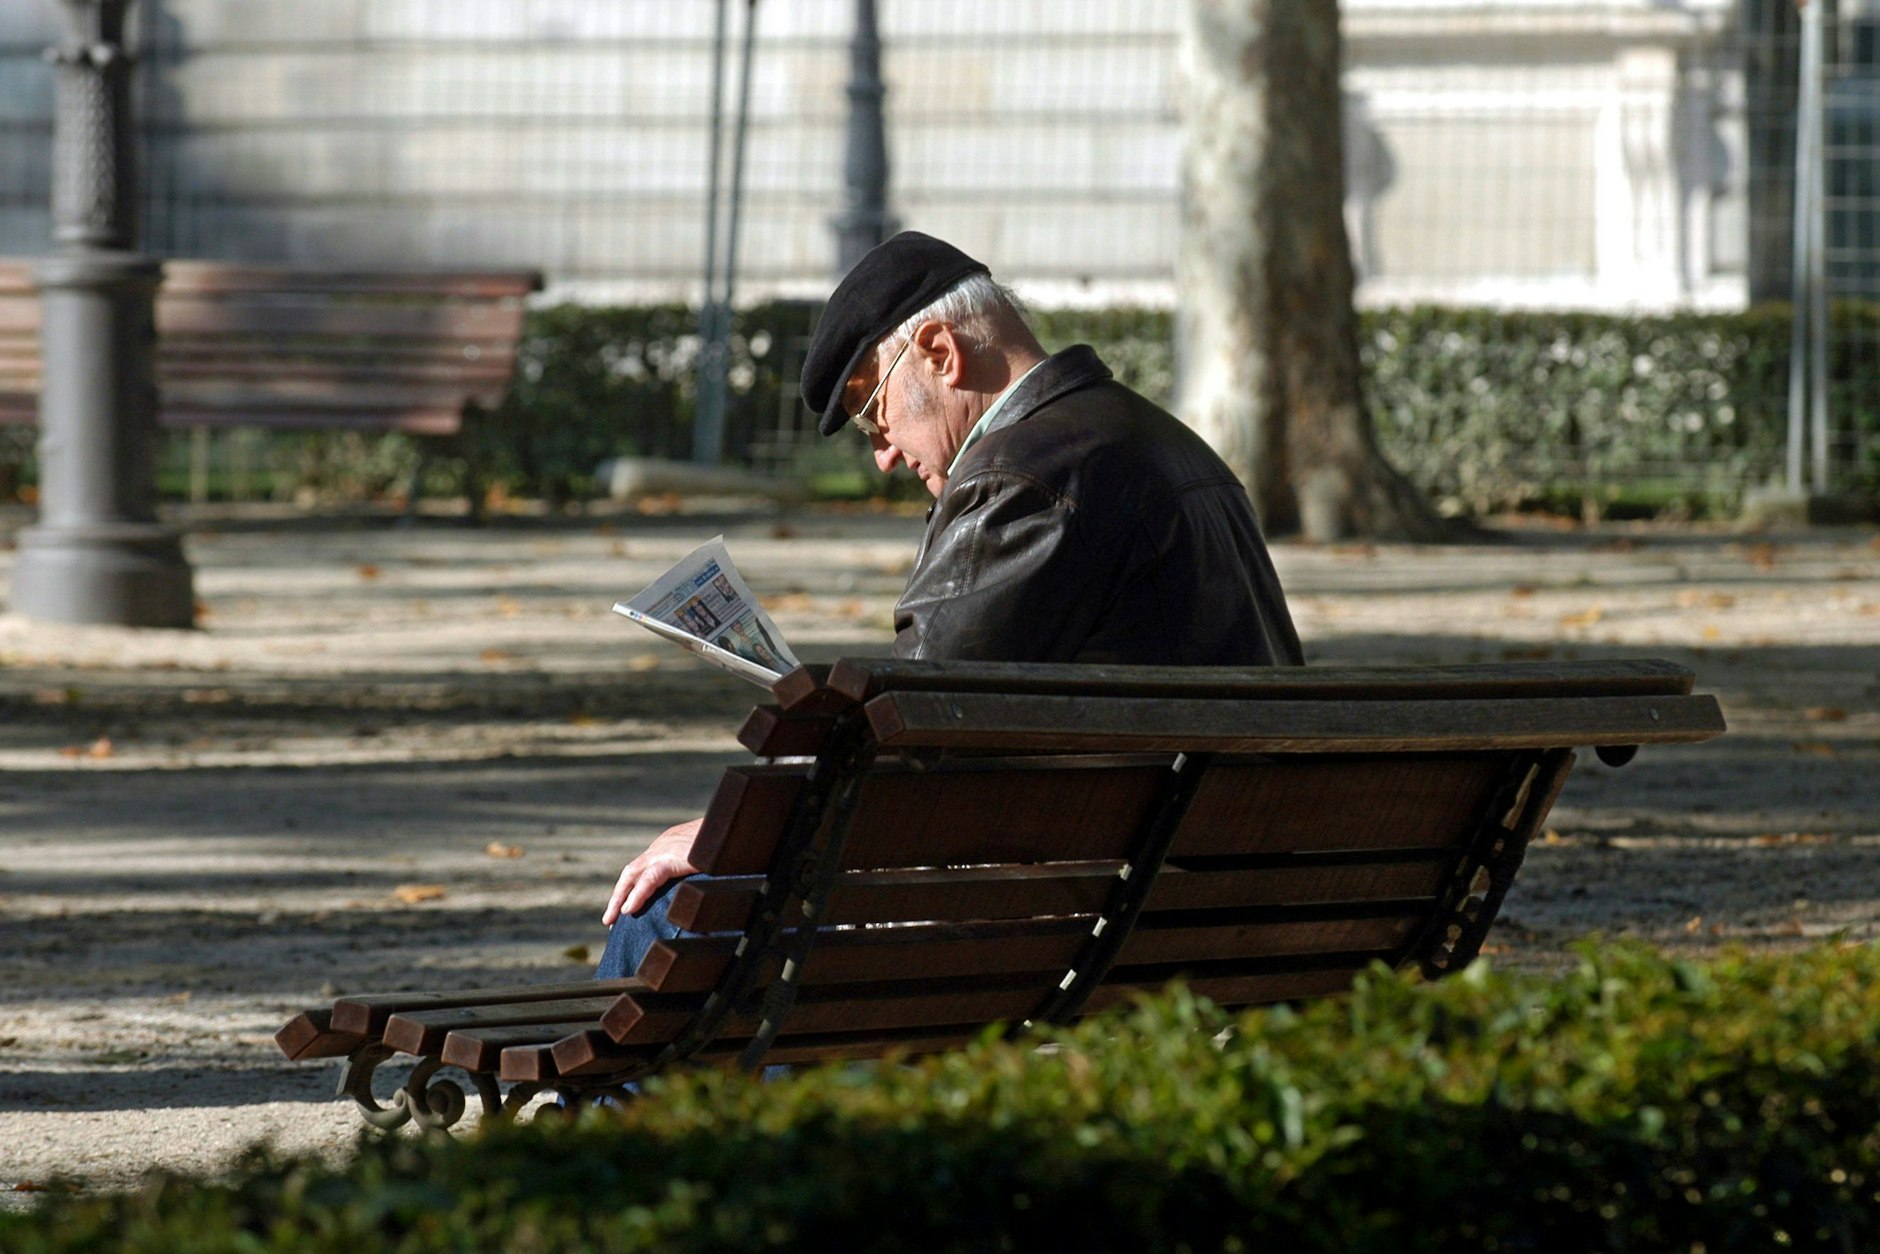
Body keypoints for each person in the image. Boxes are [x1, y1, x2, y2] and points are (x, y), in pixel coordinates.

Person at [596, 231, 1302, 977]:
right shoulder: (1168, 443)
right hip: (1213, 880)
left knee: (673, 917)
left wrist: (730, 836)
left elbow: (916, 750)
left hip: (1103, 915)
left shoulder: (1022, 480)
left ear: (940, 352)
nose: (885, 454)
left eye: (873, 411)